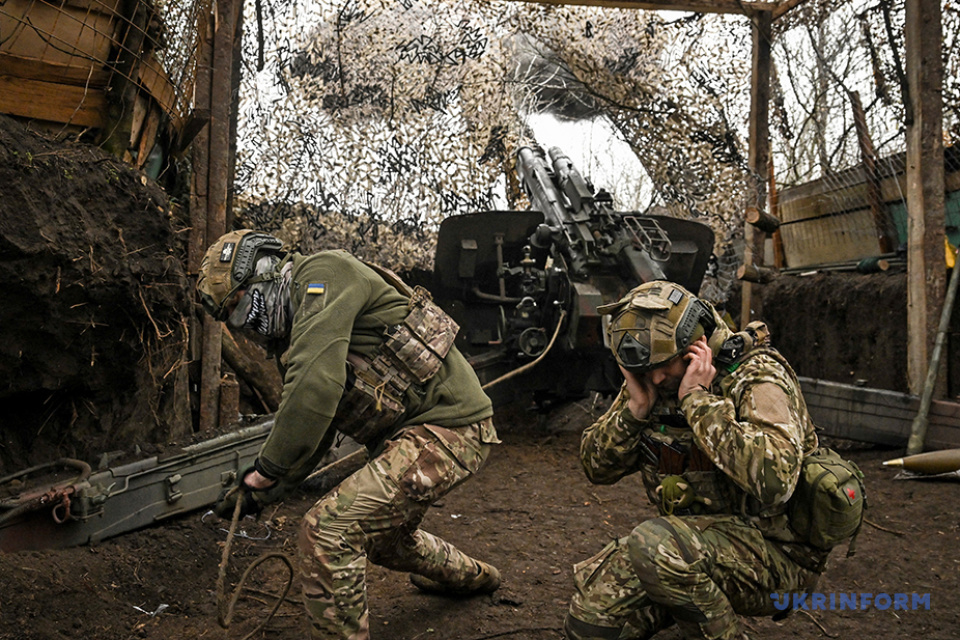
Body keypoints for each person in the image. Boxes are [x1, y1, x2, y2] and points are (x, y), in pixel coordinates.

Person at [197, 229, 501, 640]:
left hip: (451, 428)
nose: (243, 323)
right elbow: (320, 422)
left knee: (328, 532)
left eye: (239, 305)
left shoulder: (324, 274)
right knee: (388, 543)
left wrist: (266, 470)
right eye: (231, 315)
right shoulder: (299, 330)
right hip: (418, 436)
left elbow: (314, 390)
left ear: (264, 273)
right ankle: (478, 577)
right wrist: (264, 489)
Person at [564, 280, 832, 640]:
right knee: (589, 625)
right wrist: (635, 411)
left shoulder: (756, 376)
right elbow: (596, 468)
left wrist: (697, 400)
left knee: (655, 546)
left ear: (696, 345)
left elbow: (775, 482)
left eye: (663, 366)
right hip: (688, 551)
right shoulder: (654, 377)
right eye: (645, 370)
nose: (656, 377)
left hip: (776, 558)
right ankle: (685, 596)